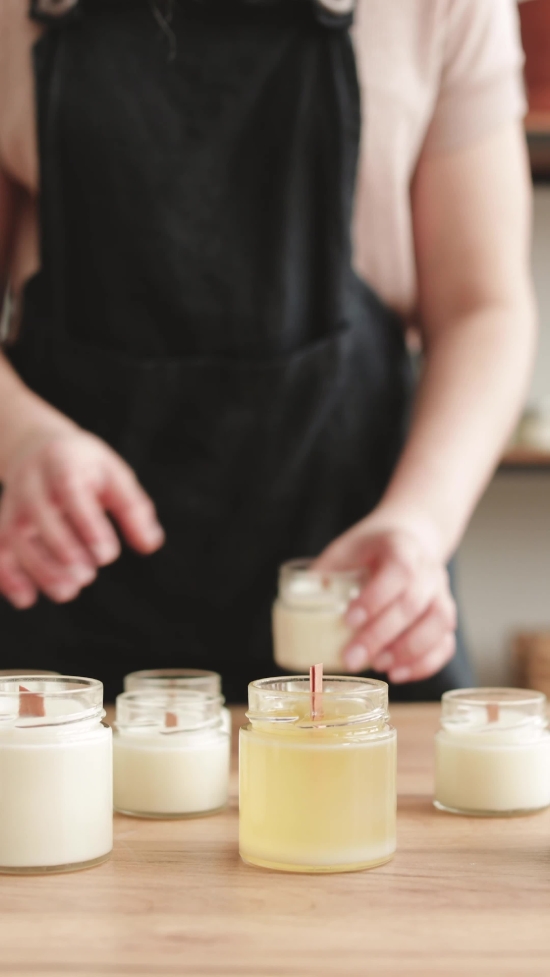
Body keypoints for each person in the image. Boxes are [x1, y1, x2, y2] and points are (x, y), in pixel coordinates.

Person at [0, 0, 535, 702]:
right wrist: (21, 437)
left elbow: (481, 308)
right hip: (69, 576)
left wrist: (421, 521)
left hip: (355, 572)